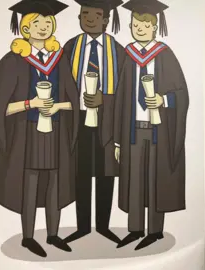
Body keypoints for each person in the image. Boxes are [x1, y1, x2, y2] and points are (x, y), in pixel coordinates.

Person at [0, 0, 80, 258]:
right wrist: (32, 103)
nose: (43, 27)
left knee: (54, 181)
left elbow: (72, 100)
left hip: (55, 132)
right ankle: (28, 237)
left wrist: (56, 107)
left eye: (47, 22)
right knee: (29, 183)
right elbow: (1, 107)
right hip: (26, 135)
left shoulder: (59, 59)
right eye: (36, 23)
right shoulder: (11, 61)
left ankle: (53, 235)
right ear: (24, 28)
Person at [113, 0, 189, 250]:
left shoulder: (165, 54)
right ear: (131, 26)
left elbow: (182, 93)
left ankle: (154, 231)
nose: (140, 29)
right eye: (136, 25)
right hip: (133, 130)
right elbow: (120, 98)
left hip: (159, 131)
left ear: (155, 28)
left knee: (156, 179)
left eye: (146, 25)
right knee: (134, 179)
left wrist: (163, 99)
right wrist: (116, 139)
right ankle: (135, 229)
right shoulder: (128, 55)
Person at [62, 0, 126, 244]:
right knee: (80, 172)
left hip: (107, 123)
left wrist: (104, 99)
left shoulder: (118, 51)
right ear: (79, 17)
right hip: (77, 122)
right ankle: (81, 226)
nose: (89, 18)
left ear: (107, 19)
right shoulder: (70, 48)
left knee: (105, 173)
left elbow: (125, 90)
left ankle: (103, 226)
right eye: (84, 13)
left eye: (96, 14)